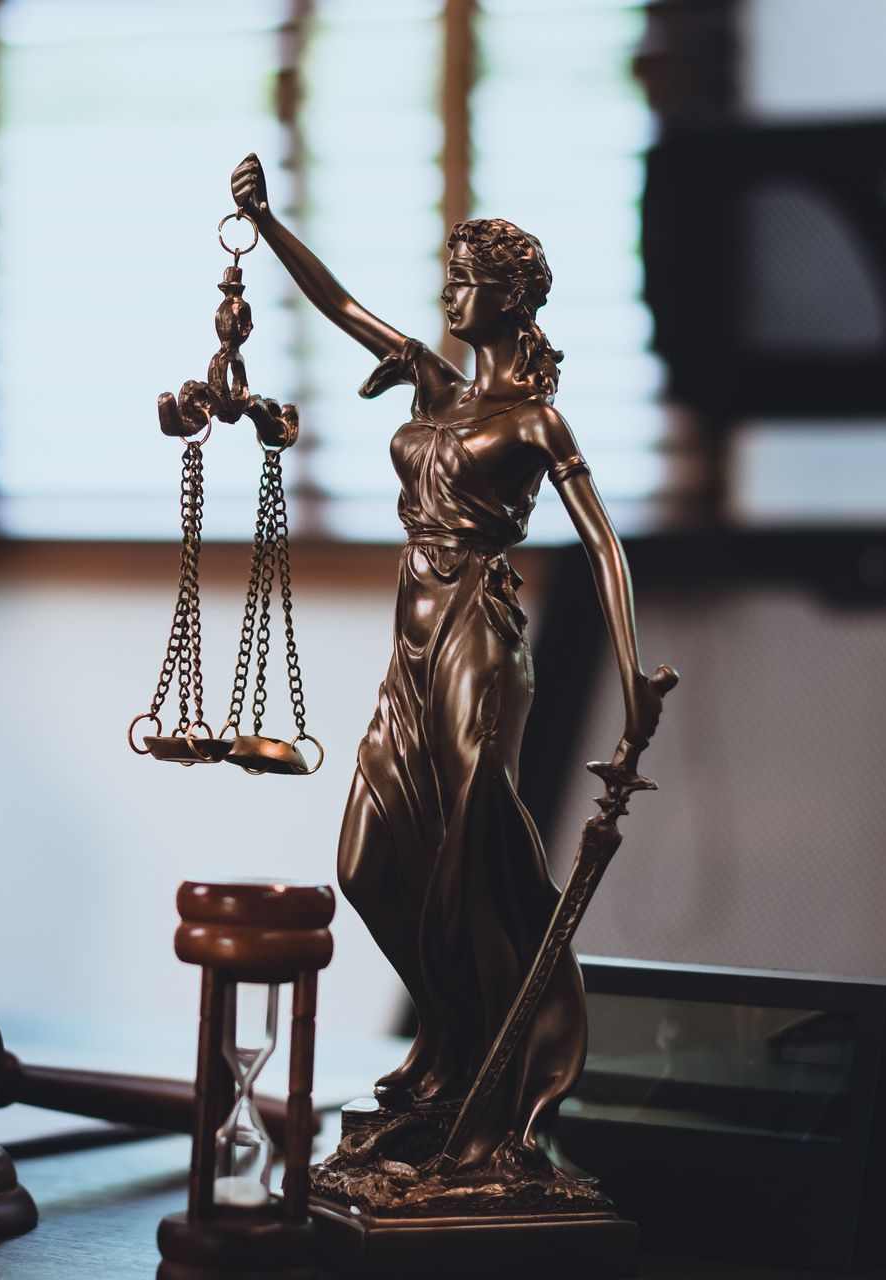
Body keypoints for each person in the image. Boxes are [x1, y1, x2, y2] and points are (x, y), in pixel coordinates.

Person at [231, 154, 670, 1169]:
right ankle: (451, 1044)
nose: (448, 294)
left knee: (473, 854)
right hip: (411, 643)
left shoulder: (533, 421)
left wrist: (633, 674)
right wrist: (266, 218)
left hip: (478, 631)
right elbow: (339, 304)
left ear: (510, 297)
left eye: (465, 279)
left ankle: (493, 1084)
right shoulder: (432, 383)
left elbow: (602, 539)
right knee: (367, 861)